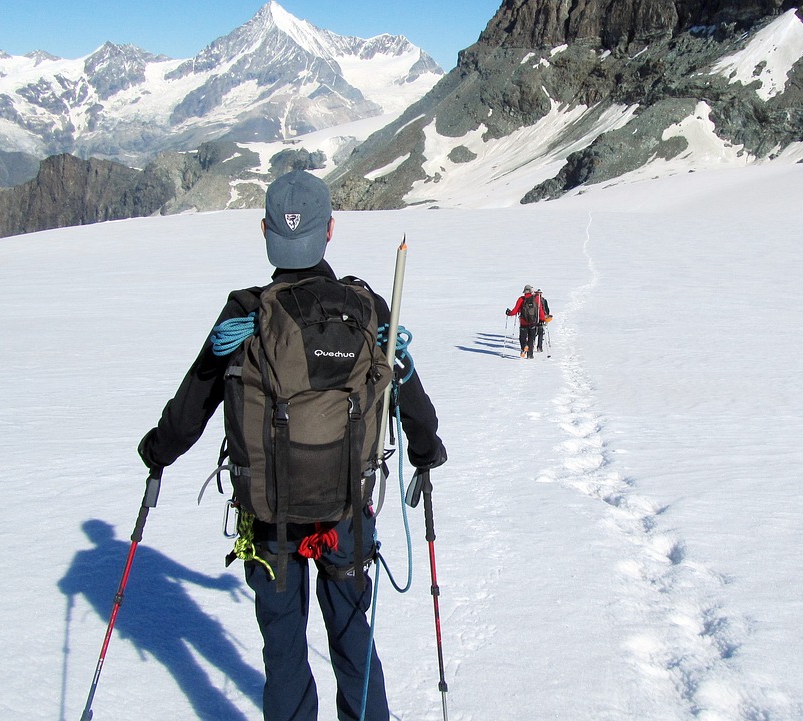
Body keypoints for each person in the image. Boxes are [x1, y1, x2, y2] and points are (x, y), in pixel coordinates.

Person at [137, 169, 448, 721]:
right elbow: (405, 387)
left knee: (284, 654)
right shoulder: (368, 308)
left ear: (265, 231)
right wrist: (426, 451)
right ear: (330, 230)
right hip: (347, 512)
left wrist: (158, 450)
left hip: (270, 513)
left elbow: (196, 402)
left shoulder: (246, 314)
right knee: (354, 645)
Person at [505, 285, 550, 358]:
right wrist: (543, 319)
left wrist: (509, 313)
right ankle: (530, 355)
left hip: (523, 323)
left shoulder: (521, 299)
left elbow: (515, 311)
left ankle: (524, 347)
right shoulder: (536, 299)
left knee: (522, 337)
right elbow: (540, 311)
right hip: (533, 323)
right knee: (531, 338)